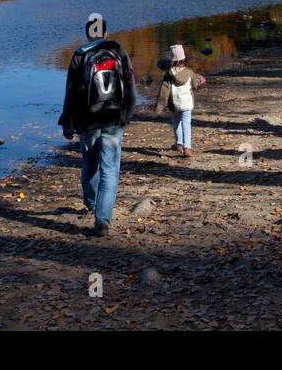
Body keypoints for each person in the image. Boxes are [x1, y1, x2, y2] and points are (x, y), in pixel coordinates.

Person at [58, 15, 138, 237]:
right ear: (105, 33)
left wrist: (67, 122)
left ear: (87, 34)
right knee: (110, 168)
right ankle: (102, 219)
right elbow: (130, 84)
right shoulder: (118, 51)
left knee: (90, 164)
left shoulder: (80, 55)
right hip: (113, 117)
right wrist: (128, 113)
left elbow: (71, 92)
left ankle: (92, 203)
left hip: (88, 121)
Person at [155, 44, 205, 156]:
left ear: (171, 60)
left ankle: (179, 144)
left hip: (175, 104)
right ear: (183, 58)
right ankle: (187, 148)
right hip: (187, 103)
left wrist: (159, 107)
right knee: (187, 124)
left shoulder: (169, 74)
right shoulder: (189, 72)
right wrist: (200, 80)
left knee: (176, 122)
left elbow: (164, 91)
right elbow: (194, 85)